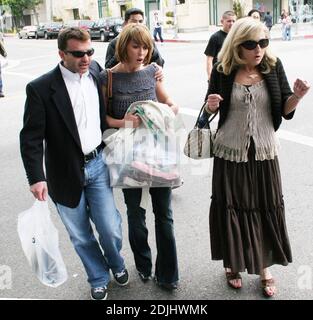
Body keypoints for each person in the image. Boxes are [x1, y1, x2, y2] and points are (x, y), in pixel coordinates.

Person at [19, 27, 129, 300]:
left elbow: (125, 76)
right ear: (61, 54)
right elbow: (31, 138)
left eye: (89, 52)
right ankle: (98, 276)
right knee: (80, 235)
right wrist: (36, 177)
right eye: (78, 53)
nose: (86, 58)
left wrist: (155, 70)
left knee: (110, 227)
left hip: (98, 164)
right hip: (63, 173)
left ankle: (116, 263)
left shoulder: (95, 73)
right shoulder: (40, 88)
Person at [206, 17, 310, 297]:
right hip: (230, 152)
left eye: (263, 42)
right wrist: (209, 105)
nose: (258, 49)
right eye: (251, 44)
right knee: (233, 207)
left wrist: (297, 96)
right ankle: (232, 264)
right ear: (237, 44)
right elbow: (209, 110)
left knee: (265, 207)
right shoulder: (223, 69)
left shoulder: (273, 68)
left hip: (264, 152)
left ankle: (265, 267)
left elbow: (285, 110)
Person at [100, 23, 179, 290]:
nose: (143, 52)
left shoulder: (153, 72)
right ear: (124, 47)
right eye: (137, 46)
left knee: (164, 215)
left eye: (146, 46)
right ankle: (143, 265)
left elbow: (168, 101)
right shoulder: (107, 78)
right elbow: (104, 120)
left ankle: (168, 274)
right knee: (136, 214)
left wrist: (170, 108)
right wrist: (126, 122)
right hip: (127, 158)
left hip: (158, 154)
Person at [200, 11, 236, 127]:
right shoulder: (215, 37)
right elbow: (209, 60)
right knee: (209, 108)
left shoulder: (236, 37)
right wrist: (210, 77)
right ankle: (201, 130)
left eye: (234, 21)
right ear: (222, 22)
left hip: (232, 79)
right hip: (217, 78)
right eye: (229, 21)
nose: (231, 23)